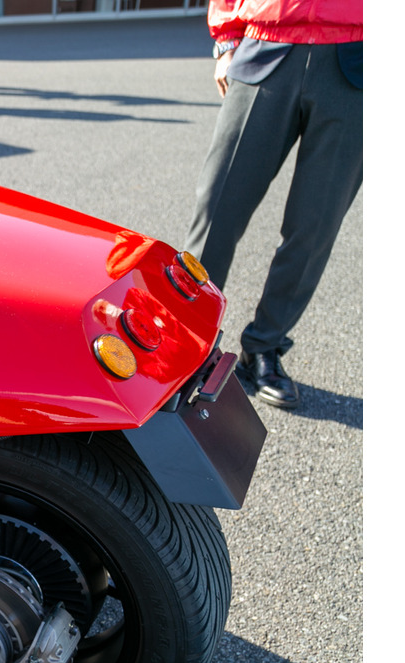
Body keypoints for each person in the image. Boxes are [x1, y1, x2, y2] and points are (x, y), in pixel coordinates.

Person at [182, 0, 362, 409]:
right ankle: (186, 337)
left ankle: (263, 346)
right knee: (217, 206)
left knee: (315, 225)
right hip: (268, 43)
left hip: (360, 56)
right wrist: (226, 41)